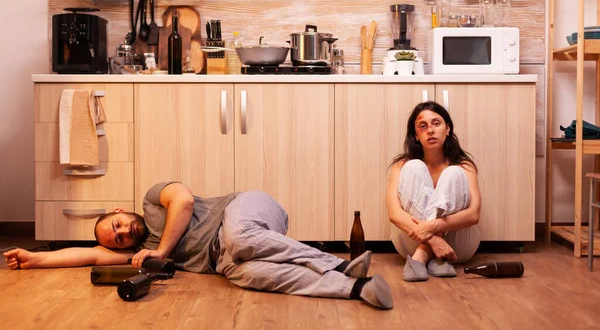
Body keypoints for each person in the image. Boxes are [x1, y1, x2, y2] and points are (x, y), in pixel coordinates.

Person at [4, 182, 393, 310]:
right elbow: (85, 254)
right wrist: (35, 258)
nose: (123, 234)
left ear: (120, 210)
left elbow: (185, 201)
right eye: (118, 238)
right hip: (224, 259)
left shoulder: (153, 199)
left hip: (243, 211)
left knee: (239, 240)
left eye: (118, 225)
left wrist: (161, 251)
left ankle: (339, 264)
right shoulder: (132, 251)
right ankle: (356, 287)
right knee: (248, 274)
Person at [386, 101, 481, 282]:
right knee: (414, 167)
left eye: (436, 123)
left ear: (447, 129)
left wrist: (433, 228)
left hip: (457, 245)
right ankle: (432, 251)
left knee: (453, 172)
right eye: (423, 126)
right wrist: (435, 239)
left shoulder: (464, 166)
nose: (430, 130)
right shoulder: (402, 166)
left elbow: (474, 214)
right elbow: (394, 213)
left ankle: (422, 255)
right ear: (416, 135)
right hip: (410, 241)